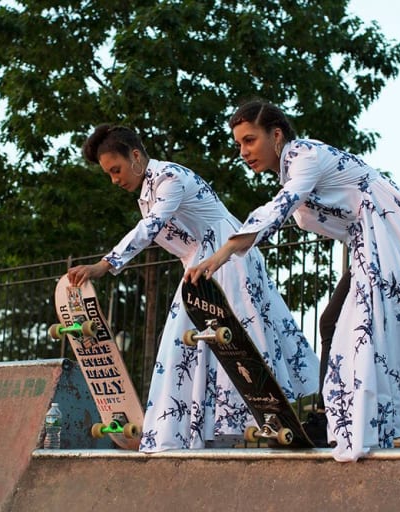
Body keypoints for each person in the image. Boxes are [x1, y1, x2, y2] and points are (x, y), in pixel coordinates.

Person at [186, 99, 400, 461]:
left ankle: (340, 419)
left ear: (277, 135)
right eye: (239, 144)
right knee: (336, 322)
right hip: (372, 239)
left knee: (357, 327)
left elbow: (282, 205)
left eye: (249, 140)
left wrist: (223, 253)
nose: (243, 151)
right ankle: (336, 417)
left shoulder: (303, 156)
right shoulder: (294, 168)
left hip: (391, 233)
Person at [68, 124, 319, 452]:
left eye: (116, 170)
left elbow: (151, 227)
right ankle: (192, 434)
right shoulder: (148, 192)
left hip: (226, 259)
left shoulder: (169, 178)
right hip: (199, 267)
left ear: (135, 156)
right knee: (189, 345)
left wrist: (106, 263)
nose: (114, 179)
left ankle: (261, 426)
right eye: (108, 174)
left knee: (237, 340)